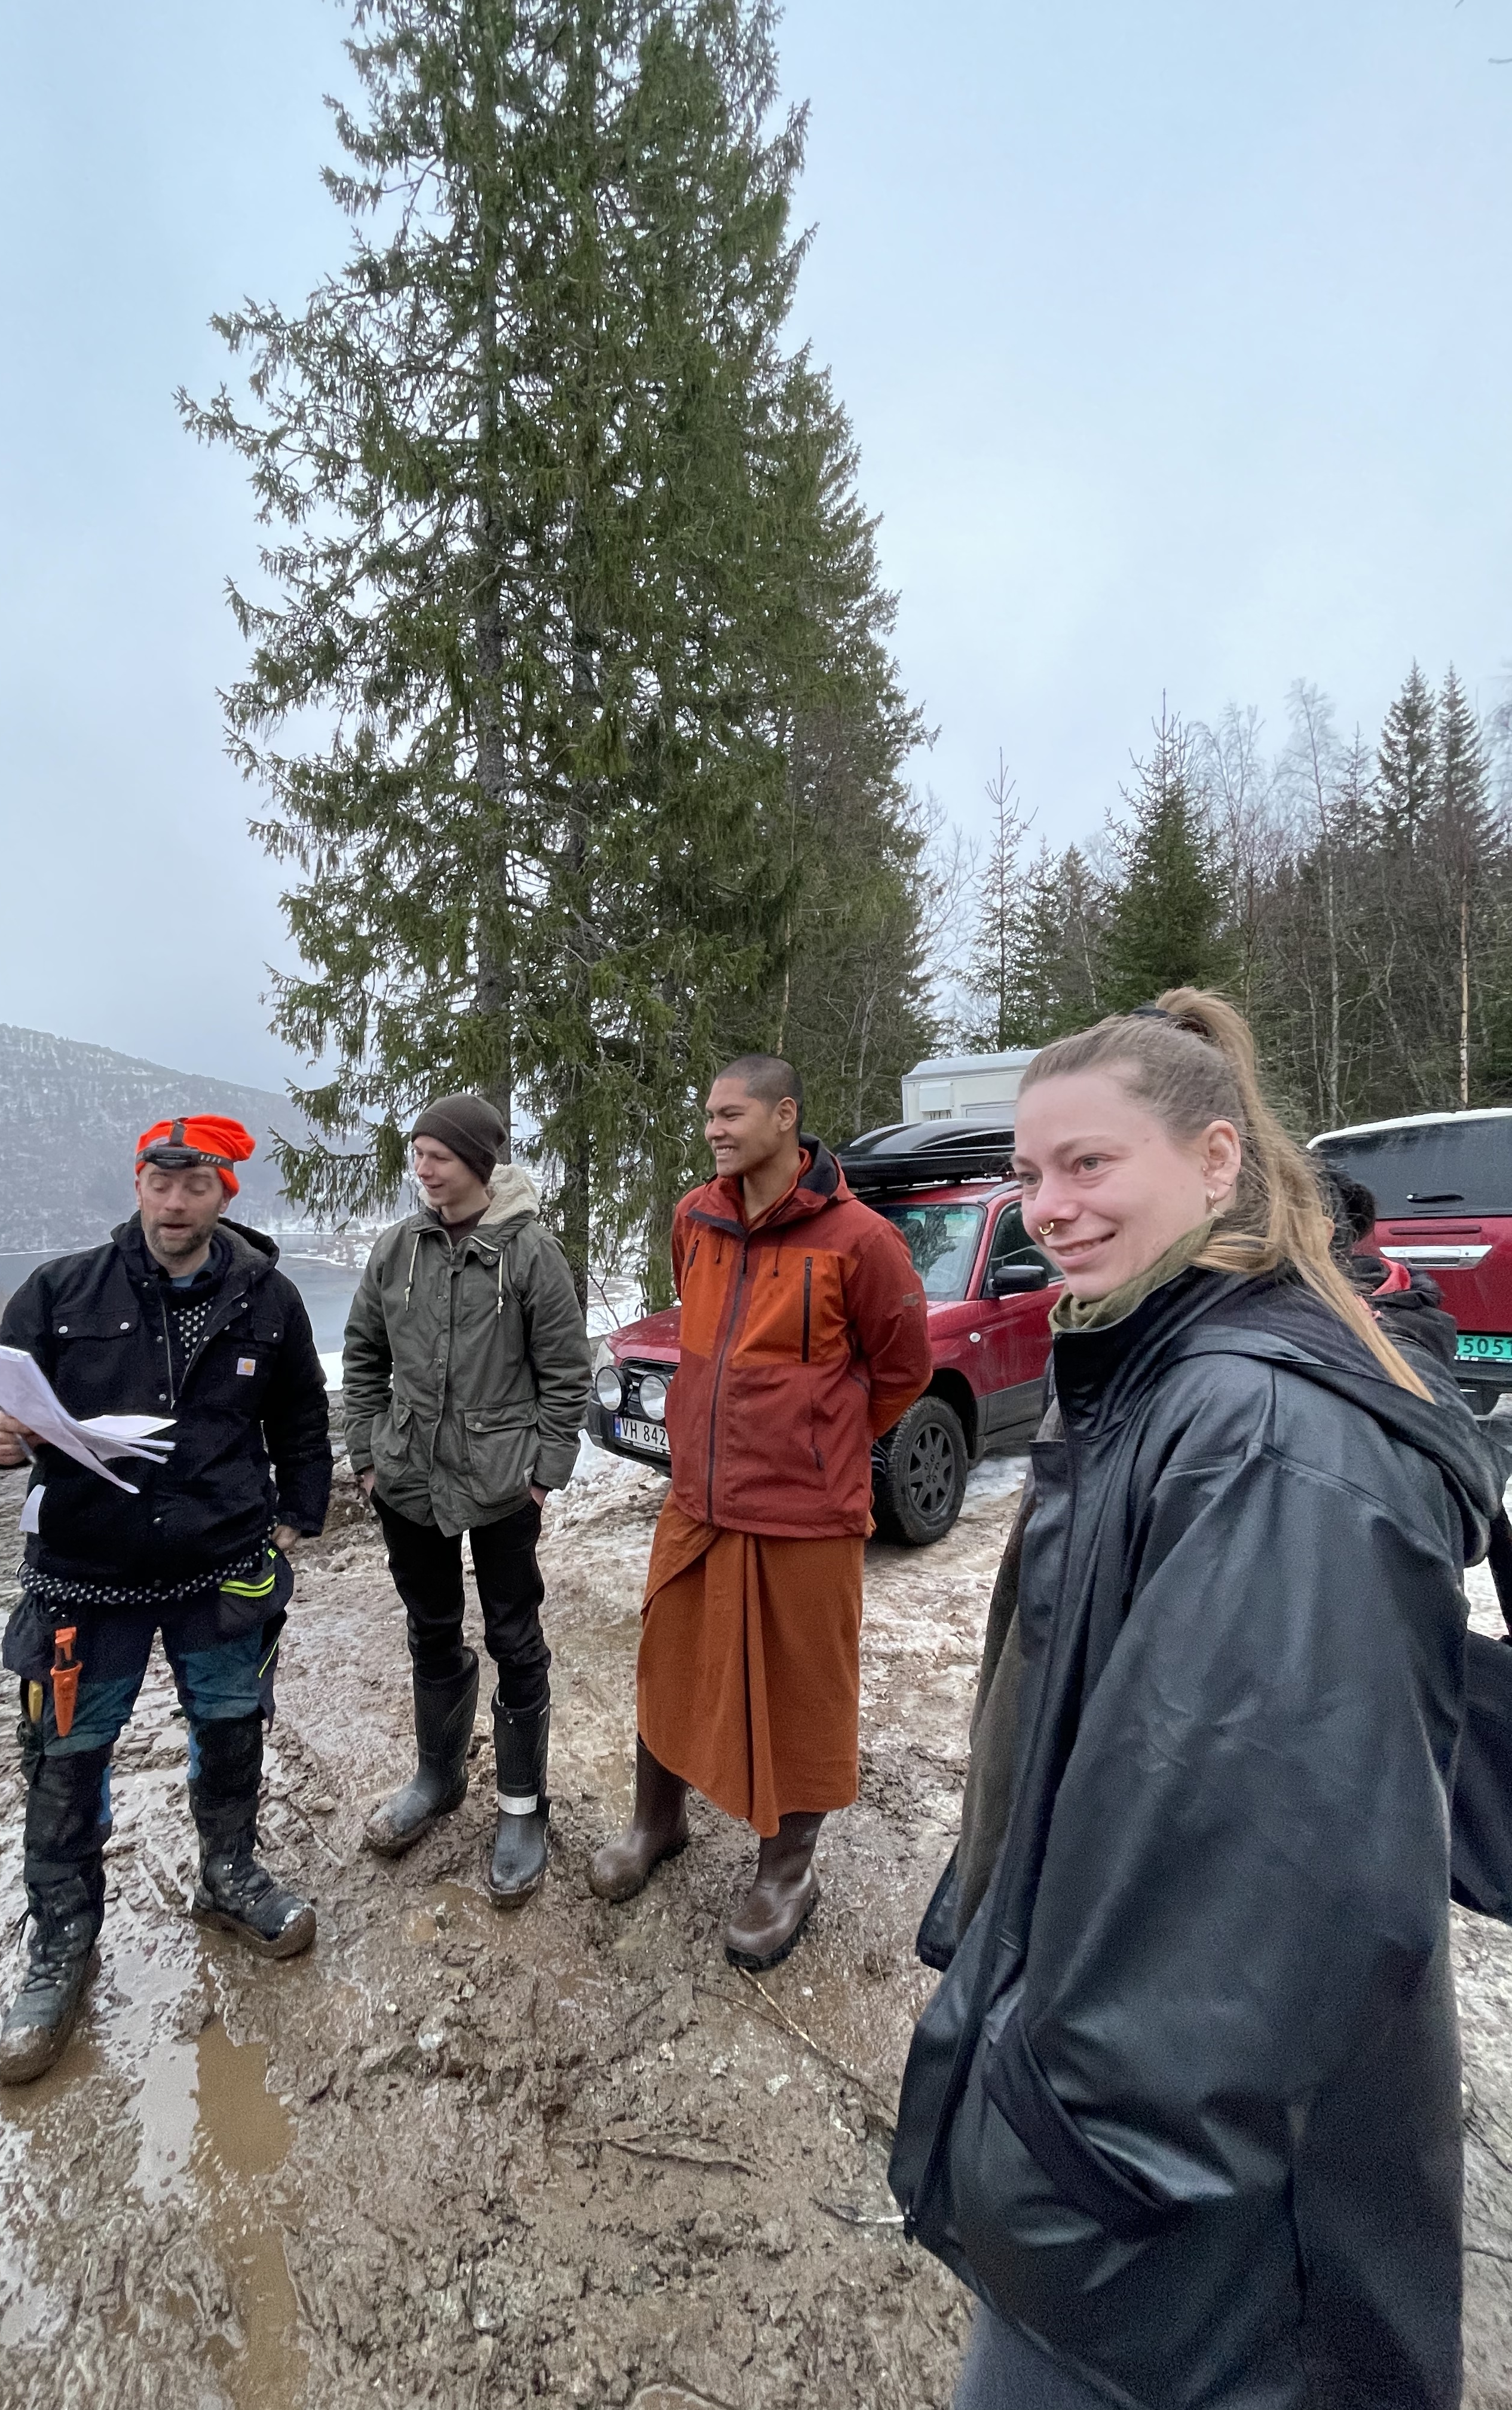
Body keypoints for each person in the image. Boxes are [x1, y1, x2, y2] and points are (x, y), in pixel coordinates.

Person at [889, 995, 1504, 2410]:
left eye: (1089, 1166)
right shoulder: (1157, 1366)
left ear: (1217, 1160)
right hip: (1156, 2187)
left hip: (1186, 2238)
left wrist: (1059, 2149)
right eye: (1030, 1175)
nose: (1047, 1206)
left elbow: (1254, 1916)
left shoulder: (1266, 1438)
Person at [0, 1114, 331, 2085]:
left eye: (195, 1186)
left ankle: (229, 1874)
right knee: (68, 1760)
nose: (173, 1202)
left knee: (233, 1726)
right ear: (137, 1185)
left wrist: (299, 1514)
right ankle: (62, 1942)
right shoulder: (64, 1288)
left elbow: (299, 1413)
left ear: (223, 1197)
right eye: (159, 1183)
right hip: (85, 1574)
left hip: (222, 1567)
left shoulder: (268, 1298)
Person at [588, 1054, 932, 1968]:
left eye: (732, 1114)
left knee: (804, 1689)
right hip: (699, 1497)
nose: (714, 1128)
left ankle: (788, 1873)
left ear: (786, 1117)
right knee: (669, 1659)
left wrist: (819, 1440)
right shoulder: (694, 1220)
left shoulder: (862, 1241)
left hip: (807, 1509)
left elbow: (903, 1371)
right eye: (709, 1115)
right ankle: (655, 1825)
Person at [343, 1093, 590, 1906]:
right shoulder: (397, 1250)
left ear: (478, 1164)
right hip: (408, 1481)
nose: (422, 1169)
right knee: (431, 1630)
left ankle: (522, 1808)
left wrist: (544, 1472)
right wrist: (370, 1457)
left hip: (501, 1487)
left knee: (516, 1640)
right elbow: (364, 1354)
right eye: (416, 1155)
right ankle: (437, 1778)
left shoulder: (528, 1253)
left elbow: (565, 1371)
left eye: (437, 1156)